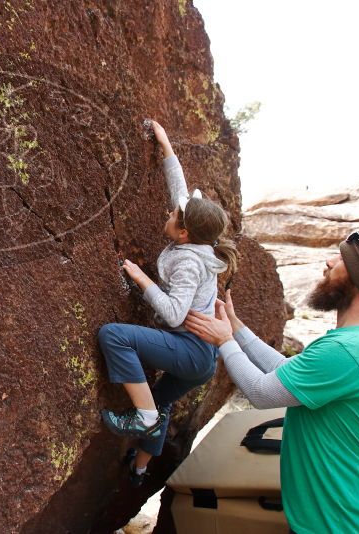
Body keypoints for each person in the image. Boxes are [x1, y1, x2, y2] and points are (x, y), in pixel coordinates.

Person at [184, 231, 359, 533]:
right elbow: (287, 373)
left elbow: (262, 393)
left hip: (340, 524)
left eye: (342, 259)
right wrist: (238, 329)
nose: (328, 261)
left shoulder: (346, 350)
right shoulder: (357, 344)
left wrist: (224, 340)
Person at [97, 120, 239, 486]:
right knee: (162, 401)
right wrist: (166, 146)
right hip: (203, 358)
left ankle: (142, 415)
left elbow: (175, 312)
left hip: (191, 350)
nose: (168, 214)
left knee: (114, 336)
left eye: (173, 217)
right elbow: (179, 191)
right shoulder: (198, 236)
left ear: (185, 233)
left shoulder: (191, 261)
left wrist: (142, 279)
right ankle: (140, 469)